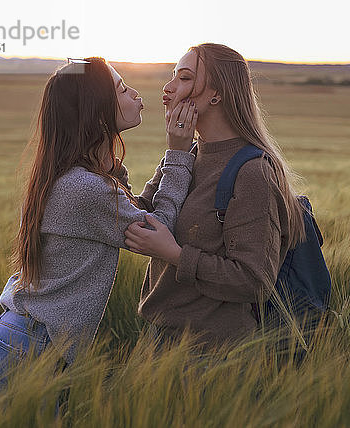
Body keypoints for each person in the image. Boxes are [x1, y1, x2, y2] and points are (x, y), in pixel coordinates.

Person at [0, 57, 197, 393]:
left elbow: (136, 209)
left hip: (25, 343)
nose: (137, 94)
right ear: (97, 113)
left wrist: (165, 157)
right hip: (30, 351)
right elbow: (158, 229)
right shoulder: (86, 189)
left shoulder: (73, 177)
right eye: (123, 90)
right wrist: (179, 153)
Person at [124, 43, 307, 349]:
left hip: (213, 353)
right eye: (173, 76)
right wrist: (102, 164)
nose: (168, 88)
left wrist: (175, 255)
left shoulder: (252, 172)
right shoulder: (188, 153)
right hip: (159, 340)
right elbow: (142, 218)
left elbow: (255, 280)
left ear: (217, 93)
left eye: (184, 78)